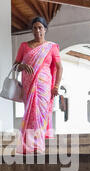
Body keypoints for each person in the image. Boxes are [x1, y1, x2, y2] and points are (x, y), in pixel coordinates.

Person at [14, 16, 63, 154]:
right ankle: (29, 146)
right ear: (32, 30)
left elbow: (60, 67)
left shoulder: (51, 47)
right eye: (35, 28)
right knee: (30, 114)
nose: (37, 30)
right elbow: (16, 65)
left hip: (44, 86)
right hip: (28, 85)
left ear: (45, 29)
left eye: (40, 28)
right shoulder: (24, 46)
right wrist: (22, 65)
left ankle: (38, 146)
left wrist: (56, 86)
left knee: (40, 114)